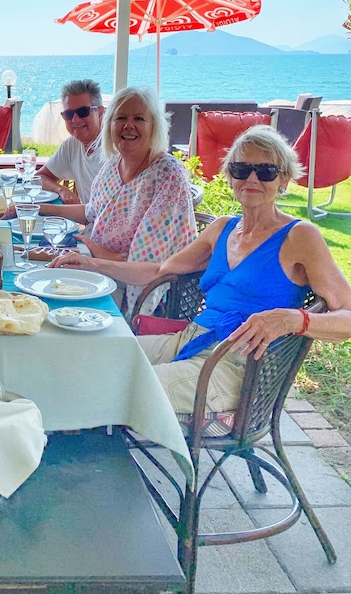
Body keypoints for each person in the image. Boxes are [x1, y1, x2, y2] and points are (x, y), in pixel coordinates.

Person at [56, 124, 351, 414]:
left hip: (239, 365)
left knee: (121, 384)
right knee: (93, 357)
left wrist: (292, 320)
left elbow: (347, 317)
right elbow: (160, 270)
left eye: (265, 171)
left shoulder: (299, 236)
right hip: (192, 339)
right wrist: (94, 264)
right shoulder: (223, 228)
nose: (251, 178)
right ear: (230, 176)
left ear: (283, 179)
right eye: (241, 169)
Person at [44, 85, 196, 316]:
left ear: (154, 125)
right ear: (110, 125)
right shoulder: (113, 164)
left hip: (139, 295)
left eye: (139, 118)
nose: (128, 125)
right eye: (121, 118)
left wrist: (96, 254)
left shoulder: (168, 173)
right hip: (96, 271)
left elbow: (150, 266)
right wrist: (37, 210)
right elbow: (92, 212)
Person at [35, 79, 105, 204]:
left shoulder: (117, 147)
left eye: (83, 111)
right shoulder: (72, 144)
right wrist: (62, 190)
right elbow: (40, 178)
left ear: (100, 112)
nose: (75, 119)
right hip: (87, 216)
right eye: (69, 114)